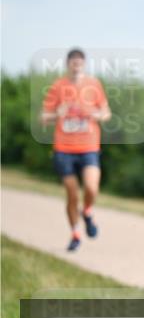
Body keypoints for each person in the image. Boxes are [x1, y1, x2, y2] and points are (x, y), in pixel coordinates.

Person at [40, 48, 112, 252]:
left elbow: (106, 113)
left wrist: (96, 115)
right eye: (73, 62)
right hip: (64, 149)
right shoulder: (58, 86)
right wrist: (57, 114)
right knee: (72, 194)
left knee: (91, 188)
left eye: (80, 62)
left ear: (84, 64)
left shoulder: (94, 85)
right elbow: (43, 117)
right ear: (68, 64)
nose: (76, 65)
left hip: (89, 146)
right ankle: (75, 234)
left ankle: (87, 212)